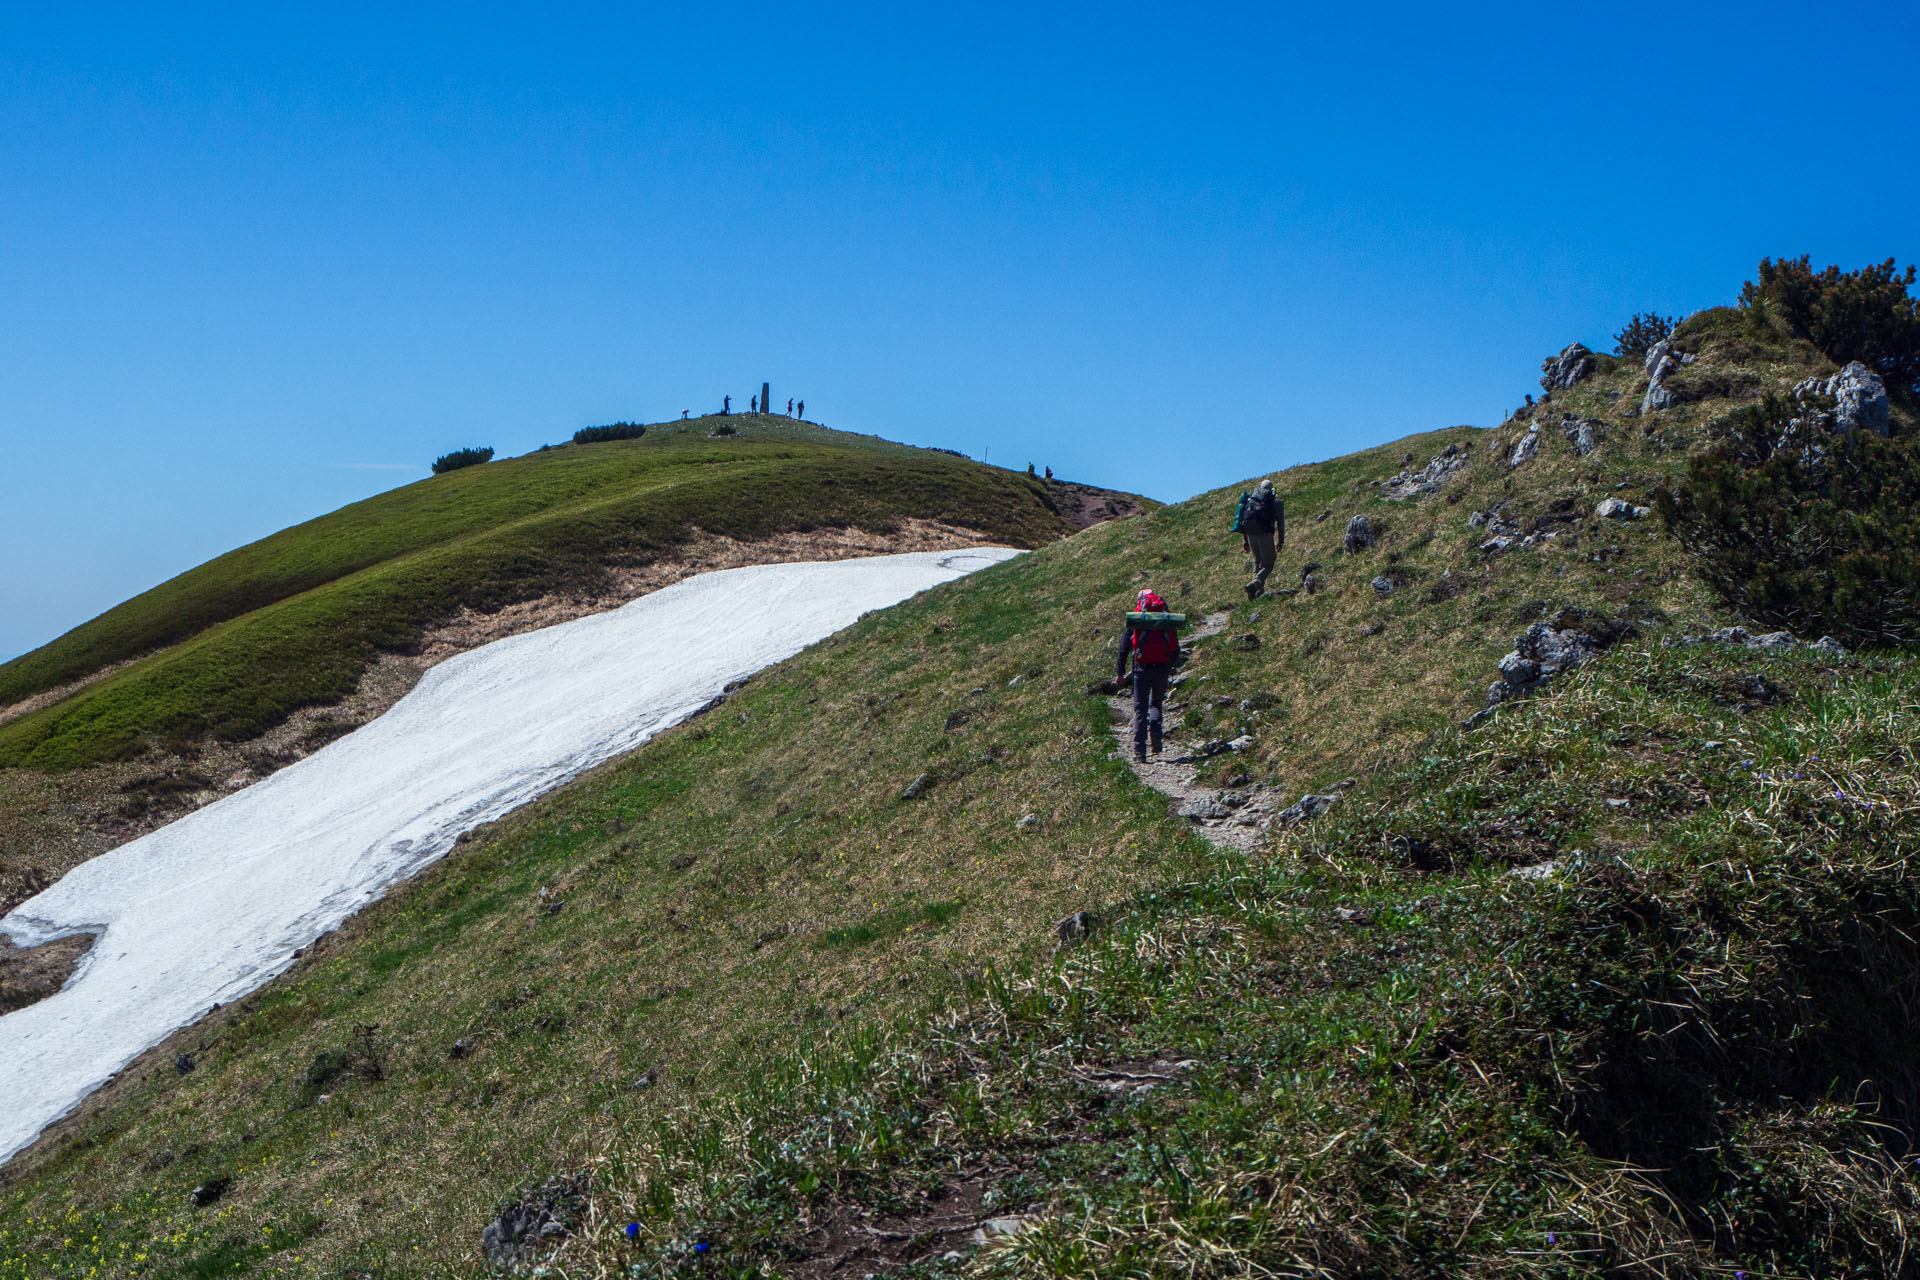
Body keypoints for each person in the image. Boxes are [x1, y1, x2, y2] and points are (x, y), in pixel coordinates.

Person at [1117, 589, 1180, 762]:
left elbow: (1124, 648)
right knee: (1156, 704)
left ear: (1140, 602)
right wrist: (1170, 665)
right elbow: (1175, 647)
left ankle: (1140, 752)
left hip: (1141, 668)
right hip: (1162, 668)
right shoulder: (1165, 618)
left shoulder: (1137, 618)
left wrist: (1120, 673)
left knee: (1140, 709)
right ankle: (1157, 740)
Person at [1240, 478, 1284, 599]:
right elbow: (1280, 523)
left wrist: (1245, 541)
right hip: (1265, 534)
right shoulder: (1276, 502)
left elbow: (1243, 521)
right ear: (1272, 489)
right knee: (1268, 564)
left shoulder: (1250, 501)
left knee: (1257, 562)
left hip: (1250, 535)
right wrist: (1281, 540)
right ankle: (1255, 583)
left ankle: (1257, 593)